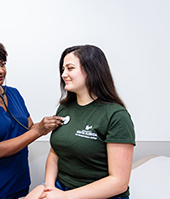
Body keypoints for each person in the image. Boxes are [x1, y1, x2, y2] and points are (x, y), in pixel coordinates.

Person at [25, 45, 136, 199]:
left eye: (70, 68)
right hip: (61, 187)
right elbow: (55, 153)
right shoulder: (65, 108)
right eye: (63, 69)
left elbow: (119, 182)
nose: (64, 74)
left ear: (92, 70)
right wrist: (49, 189)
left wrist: (64, 197)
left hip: (97, 194)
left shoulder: (116, 115)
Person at [0, 41, 63, 199]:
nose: (0, 71)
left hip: (19, 182)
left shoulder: (14, 94)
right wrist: (39, 130)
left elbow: (28, 128)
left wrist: (48, 124)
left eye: (3, 64)